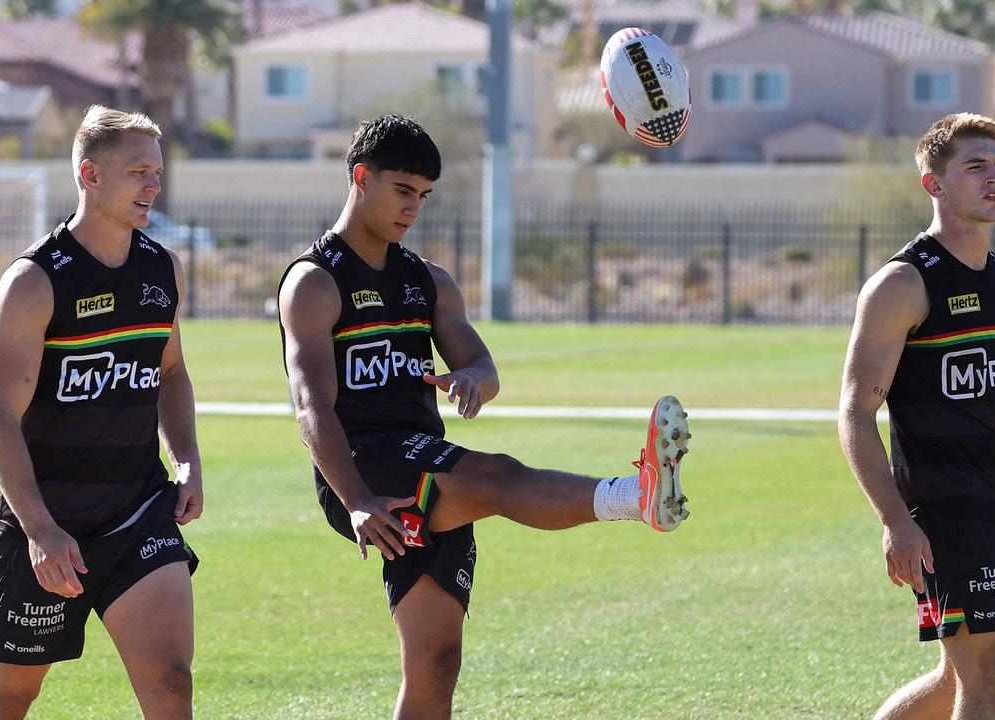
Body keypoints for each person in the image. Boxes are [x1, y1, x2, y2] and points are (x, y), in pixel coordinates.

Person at [278, 114, 691, 720]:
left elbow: (481, 364)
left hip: (425, 462)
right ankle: (638, 494)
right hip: (366, 469)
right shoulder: (315, 282)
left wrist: (472, 378)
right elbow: (311, 404)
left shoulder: (429, 282)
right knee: (496, 477)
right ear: (361, 177)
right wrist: (357, 499)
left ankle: (641, 495)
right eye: (401, 191)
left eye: (423, 196)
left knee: (437, 665)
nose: (412, 208)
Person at [0, 106, 202, 720]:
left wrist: (185, 459)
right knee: (9, 699)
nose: (153, 186)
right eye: (137, 173)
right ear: (89, 174)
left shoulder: (161, 268)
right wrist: (40, 530)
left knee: (172, 684)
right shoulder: (35, 280)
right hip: (50, 527)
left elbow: (172, 372)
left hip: (138, 512)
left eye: (157, 171)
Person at [838, 112, 995, 720]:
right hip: (940, 513)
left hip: (994, 509)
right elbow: (856, 411)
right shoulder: (903, 284)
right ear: (934, 184)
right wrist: (896, 521)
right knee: (988, 673)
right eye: (975, 166)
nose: (994, 178)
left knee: (954, 679)